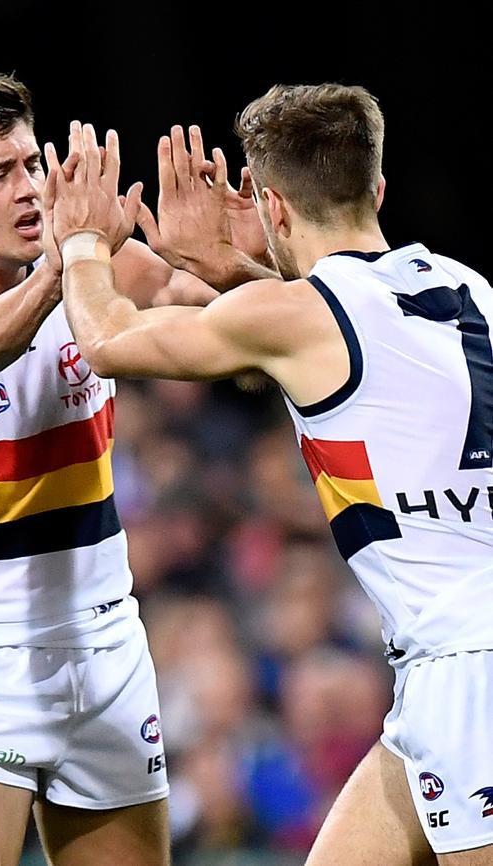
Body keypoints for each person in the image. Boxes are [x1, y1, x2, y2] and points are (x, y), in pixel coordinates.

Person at [41, 86, 493, 866]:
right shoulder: (465, 287)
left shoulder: (296, 316)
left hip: (469, 672)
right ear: (377, 187)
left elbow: (110, 341)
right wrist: (234, 267)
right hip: (437, 671)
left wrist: (81, 241)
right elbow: (338, 334)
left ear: (273, 206)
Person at [0, 61, 265, 866]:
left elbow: (253, 357)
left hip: (105, 650)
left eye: (33, 164)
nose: (29, 189)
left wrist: (242, 267)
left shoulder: (105, 271)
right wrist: (67, 267)